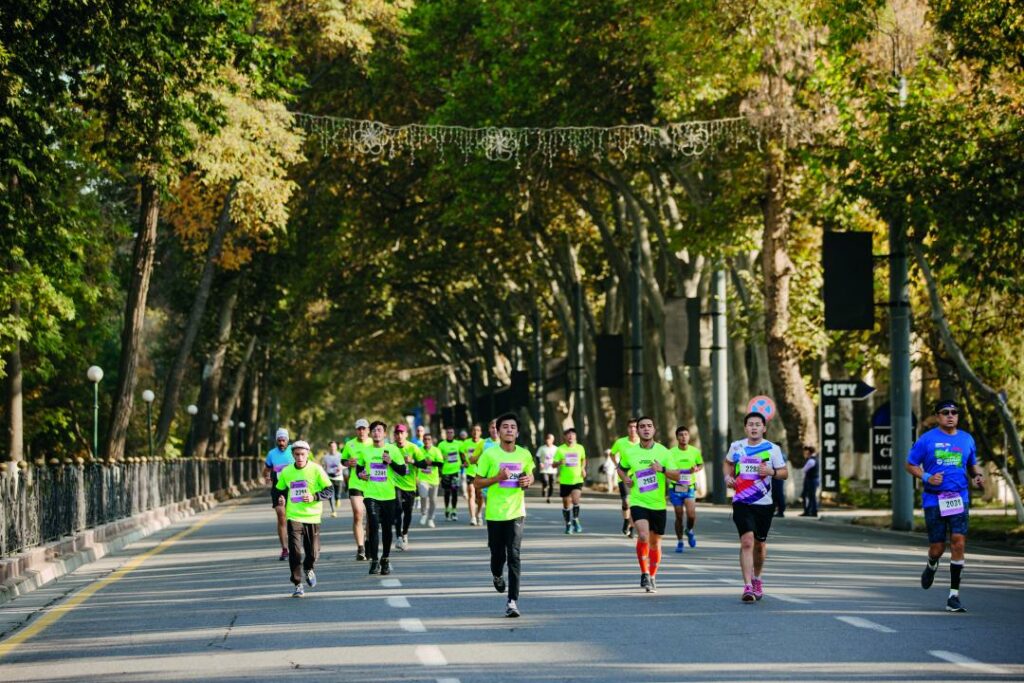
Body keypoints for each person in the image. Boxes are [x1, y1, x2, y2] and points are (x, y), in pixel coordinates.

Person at [905, 399, 985, 613]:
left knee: (958, 542)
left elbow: (971, 463)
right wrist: (928, 476)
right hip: (934, 499)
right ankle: (932, 563)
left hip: (959, 497)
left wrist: (977, 476)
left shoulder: (966, 439)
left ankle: (953, 596)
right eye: (945, 412)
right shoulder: (927, 440)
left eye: (954, 412)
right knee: (938, 548)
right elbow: (910, 464)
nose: (950, 415)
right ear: (938, 416)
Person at [474, 412, 535, 617]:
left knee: (514, 555)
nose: (509, 430)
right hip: (495, 514)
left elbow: (530, 474)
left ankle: (512, 601)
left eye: (512, 427)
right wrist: (498, 477)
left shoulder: (524, 454)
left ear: (517, 432)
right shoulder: (489, 455)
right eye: (505, 427)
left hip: (516, 512)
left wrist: (528, 481)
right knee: (497, 555)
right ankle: (497, 575)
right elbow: (477, 482)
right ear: (498, 432)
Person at [723, 412, 788, 603]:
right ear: (745, 428)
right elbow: (727, 464)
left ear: (764, 428)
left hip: (764, 504)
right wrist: (728, 478)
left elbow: (784, 473)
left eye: (757, 424)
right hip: (742, 502)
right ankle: (747, 587)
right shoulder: (737, 446)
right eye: (750, 424)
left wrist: (771, 471)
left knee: (759, 545)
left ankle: (757, 578)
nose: (753, 427)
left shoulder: (772, 449)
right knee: (747, 542)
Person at [615, 416, 680, 593]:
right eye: (642, 426)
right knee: (643, 536)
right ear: (637, 430)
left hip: (658, 504)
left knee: (656, 543)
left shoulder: (664, 452)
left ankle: (652, 576)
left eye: (649, 426)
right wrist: (625, 478)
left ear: (654, 430)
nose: (645, 429)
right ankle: (644, 572)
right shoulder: (630, 452)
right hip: (638, 501)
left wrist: (663, 470)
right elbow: (620, 468)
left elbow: (677, 475)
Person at [274, 440, 332, 597]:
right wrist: (280, 498)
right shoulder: (287, 472)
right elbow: (278, 489)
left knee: (313, 553)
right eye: (297, 454)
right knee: (295, 551)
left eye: (302, 454)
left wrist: (314, 496)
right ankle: (298, 583)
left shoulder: (316, 470)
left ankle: (308, 568)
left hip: (313, 516)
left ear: (308, 454)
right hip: (294, 516)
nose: (299, 457)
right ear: (293, 455)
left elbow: (330, 489)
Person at [356, 421, 408, 575]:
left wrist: (390, 462)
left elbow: (403, 471)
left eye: (379, 430)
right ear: (371, 434)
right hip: (371, 494)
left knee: (386, 529)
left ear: (384, 433)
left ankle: (385, 558)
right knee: (372, 525)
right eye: (374, 430)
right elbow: (359, 468)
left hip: (389, 496)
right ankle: (374, 560)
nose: (376, 433)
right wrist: (361, 474)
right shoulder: (365, 451)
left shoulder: (393, 450)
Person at [668, 426, 703, 553]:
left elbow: (700, 464)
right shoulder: (671, 452)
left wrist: (697, 469)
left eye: (686, 434)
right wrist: (684, 471)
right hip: (676, 487)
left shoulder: (695, 451)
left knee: (691, 515)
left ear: (689, 436)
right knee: (679, 515)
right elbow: (670, 469)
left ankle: (689, 530)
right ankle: (680, 541)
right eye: (681, 435)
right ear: (677, 437)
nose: (684, 437)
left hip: (689, 486)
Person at [341, 418, 373, 560]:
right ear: (356, 430)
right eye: (359, 429)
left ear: (368, 430)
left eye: (364, 428)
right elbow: (343, 460)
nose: (361, 431)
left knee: (372, 518)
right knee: (358, 513)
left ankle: (368, 543)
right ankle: (360, 548)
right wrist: (348, 462)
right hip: (355, 483)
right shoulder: (350, 444)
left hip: (372, 484)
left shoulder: (374, 443)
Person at [264, 428, 294, 560]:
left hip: (293, 487)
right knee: (281, 516)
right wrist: (266, 476)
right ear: (276, 440)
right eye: (279, 440)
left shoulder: (295, 451)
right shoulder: (271, 454)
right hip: (277, 488)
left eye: (283, 440)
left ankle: (295, 544)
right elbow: (266, 469)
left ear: (287, 440)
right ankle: (285, 549)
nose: (281, 443)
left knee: (293, 518)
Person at [391, 424, 421, 550]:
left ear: (406, 434)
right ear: (394, 435)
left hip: (410, 485)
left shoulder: (413, 448)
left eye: (401, 433)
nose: (399, 435)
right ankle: (398, 536)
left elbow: (423, 464)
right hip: (395, 483)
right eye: (397, 433)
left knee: (408, 512)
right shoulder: (390, 448)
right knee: (398, 509)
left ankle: (405, 533)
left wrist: (412, 461)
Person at [610, 418, 640, 537]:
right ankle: (626, 520)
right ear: (628, 429)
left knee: (635, 504)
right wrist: (617, 465)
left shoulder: (643, 442)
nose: (633, 429)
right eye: (630, 427)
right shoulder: (620, 442)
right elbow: (612, 454)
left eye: (635, 427)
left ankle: (632, 527)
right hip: (624, 476)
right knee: (626, 502)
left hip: (639, 477)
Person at [554, 427, 587, 534]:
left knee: (576, 499)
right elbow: (553, 464)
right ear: (565, 437)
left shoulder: (580, 448)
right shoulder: (560, 449)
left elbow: (583, 459)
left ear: (575, 437)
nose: (570, 436)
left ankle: (575, 519)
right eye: (568, 435)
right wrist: (559, 463)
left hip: (577, 479)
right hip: (564, 480)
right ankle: (568, 524)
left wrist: (582, 469)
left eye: (572, 434)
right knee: (566, 504)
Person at [416, 433, 443, 527]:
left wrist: (432, 463)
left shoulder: (436, 450)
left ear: (431, 441)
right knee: (423, 496)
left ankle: (431, 518)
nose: (427, 441)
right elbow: (416, 462)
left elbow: (441, 463)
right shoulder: (419, 450)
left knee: (433, 500)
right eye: (425, 439)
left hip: (434, 480)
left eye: (428, 439)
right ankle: (424, 514)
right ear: (423, 440)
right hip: (422, 478)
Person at [462, 424, 485, 526]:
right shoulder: (466, 443)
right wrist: (465, 461)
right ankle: (473, 517)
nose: (476, 432)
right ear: (471, 432)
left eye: (478, 430)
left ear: (481, 432)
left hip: (481, 472)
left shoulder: (484, 443)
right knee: (471, 493)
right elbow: (462, 453)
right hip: (470, 472)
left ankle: (478, 513)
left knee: (480, 495)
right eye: (474, 430)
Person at [437, 427, 462, 521]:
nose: (450, 434)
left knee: (455, 492)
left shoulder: (458, 444)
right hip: (445, 472)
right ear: (446, 434)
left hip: (455, 472)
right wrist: (442, 457)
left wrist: (464, 462)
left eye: (451, 432)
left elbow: (463, 454)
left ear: (454, 434)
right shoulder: (441, 445)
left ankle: (454, 511)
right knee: (447, 492)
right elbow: (438, 458)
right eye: (448, 433)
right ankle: (447, 509)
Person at [320, 440, 344, 518]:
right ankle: (333, 511)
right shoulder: (326, 457)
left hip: (339, 477)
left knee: (337, 494)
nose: (333, 448)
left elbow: (346, 464)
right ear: (329, 447)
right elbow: (323, 466)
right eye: (331, 446)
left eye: (334, 446)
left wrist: (341, 467)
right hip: (329, 477)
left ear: (336, 447)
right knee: (330, 495)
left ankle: (338, 498)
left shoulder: (340, 455)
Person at [535, 434, 557, 503]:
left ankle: (549, 497)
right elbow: (537, 456)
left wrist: (557, 463)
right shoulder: (542, 448)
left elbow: (559, 458)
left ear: (552, 440)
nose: (548, 440)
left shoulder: (556, 448)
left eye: (549, 439)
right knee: (545, 481)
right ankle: (544, 488)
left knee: (552, 485)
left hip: (553, 469)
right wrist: (540, 463)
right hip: (544, 469)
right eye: (547, 439)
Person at [800, 445, 819, 517]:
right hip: (812, 479)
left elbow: (804, 470)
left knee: (810, 496)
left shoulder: (811, 460)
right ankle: (809, 511)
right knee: (810, 496)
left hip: (811, 480)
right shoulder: (814, 459)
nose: (804, 454)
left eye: (806, 452)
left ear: (808, 452)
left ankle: (812, 511)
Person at [771, 451, 788, 518]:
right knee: (774, 494)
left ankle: (781, 511)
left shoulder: (781, 456)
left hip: (778, 477)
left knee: (779, 494)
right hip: (774, 477)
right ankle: (774, 510)